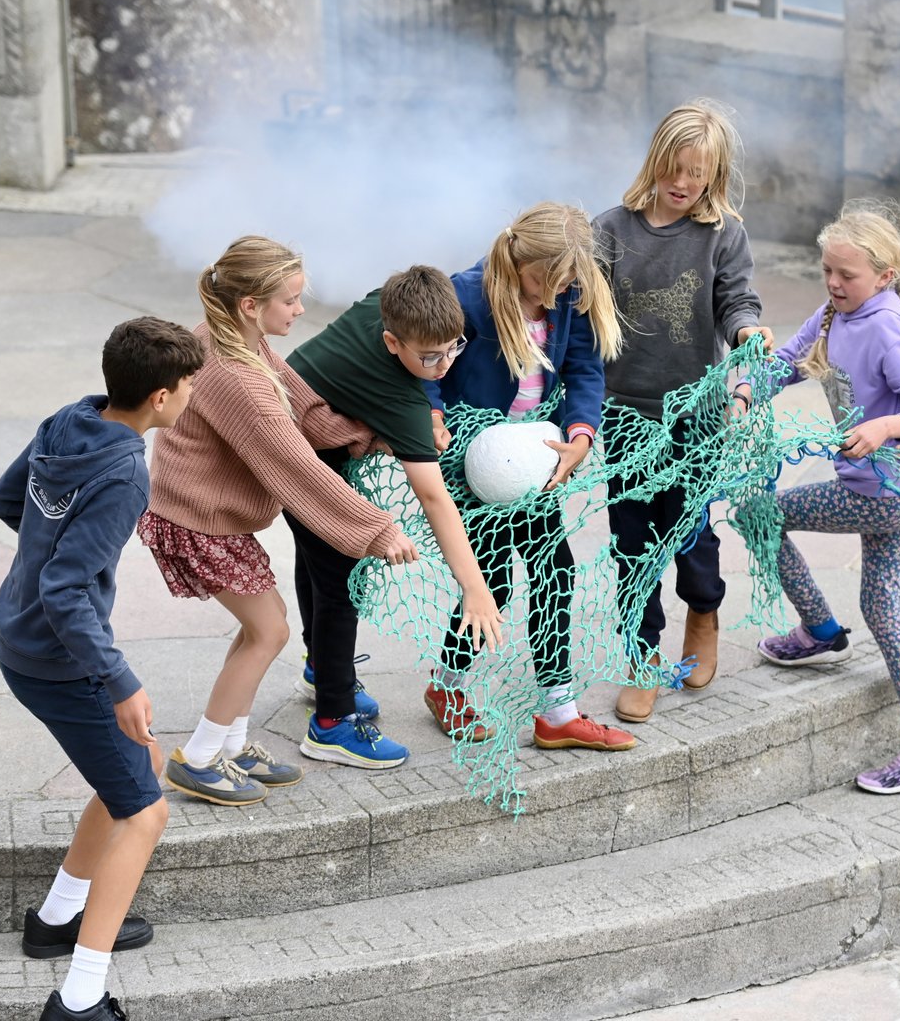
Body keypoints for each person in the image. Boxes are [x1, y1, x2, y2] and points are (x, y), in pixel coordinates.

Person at [143, 236, 418, 804]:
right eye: (290, 300)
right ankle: (198, 757)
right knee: (269, 631)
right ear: (250, 304)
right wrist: (377, 529)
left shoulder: (236, 339)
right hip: (197, 522)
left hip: (208, 516)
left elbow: (303, 408)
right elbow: (296, 465)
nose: (299, 309)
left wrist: (370, 437)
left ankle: (233, 744)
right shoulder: (236, 376)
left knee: (261, 629)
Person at [0, 316, 203, 1021]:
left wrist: (45, 550)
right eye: (189, 388)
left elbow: (8, 499)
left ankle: (56, 919)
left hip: (17, 637)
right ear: (162, 398)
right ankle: (79, 998)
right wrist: (120, 680)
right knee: (146, 811)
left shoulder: (68, 419)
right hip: (60, 662)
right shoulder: (125, 474)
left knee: (137, 766)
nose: (191, 397)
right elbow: (65, 590)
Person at [740, 201, 900, 795]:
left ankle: (819, 630)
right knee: (883, 611)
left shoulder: (886, 328)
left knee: (759, 513)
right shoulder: (836, 313)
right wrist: (744, 392)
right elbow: (786, 363)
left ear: (884, 276)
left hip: (883, 494)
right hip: (898, 492)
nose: (833, 282)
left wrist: (886, 427)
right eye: (827, 271)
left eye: (846, 275)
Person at [421, 202, 636, 751]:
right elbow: (424, 367)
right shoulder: (463, 297)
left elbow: (585, 368)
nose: (560, 291)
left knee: (554, 571)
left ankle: (557, 712)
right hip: (475, 467)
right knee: (490, 582)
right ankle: (446, 686)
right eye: (550, 279)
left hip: (534, 460)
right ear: (521, 264)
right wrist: (433, 413)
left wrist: (581, 433)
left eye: (569, 280)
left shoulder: (568, 295)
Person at [594, 97, 773, 724]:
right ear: (655, 162)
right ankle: (641, 655)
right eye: (675, 169)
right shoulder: (611, 229)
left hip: (697, 414)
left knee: (690, 531)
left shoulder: (723, 234)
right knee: (632, 543)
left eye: (697, 173)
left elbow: (736, 301)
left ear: (713, 175)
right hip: (625, 415)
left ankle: (703, 611)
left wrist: (746, 331)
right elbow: (584, 314)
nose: (683, 183)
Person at [284, 264, 504, 767]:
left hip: (298, 420)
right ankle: (332, 722)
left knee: (316, 557)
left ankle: (322, 670)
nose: (444, 365)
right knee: (341, 572)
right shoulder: (400, 399)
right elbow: (434, 498)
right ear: (391, 341)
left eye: (454, 347)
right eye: (430, 356)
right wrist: (474, 587)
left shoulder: (387, 298)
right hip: (291, 449)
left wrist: (430, 408)